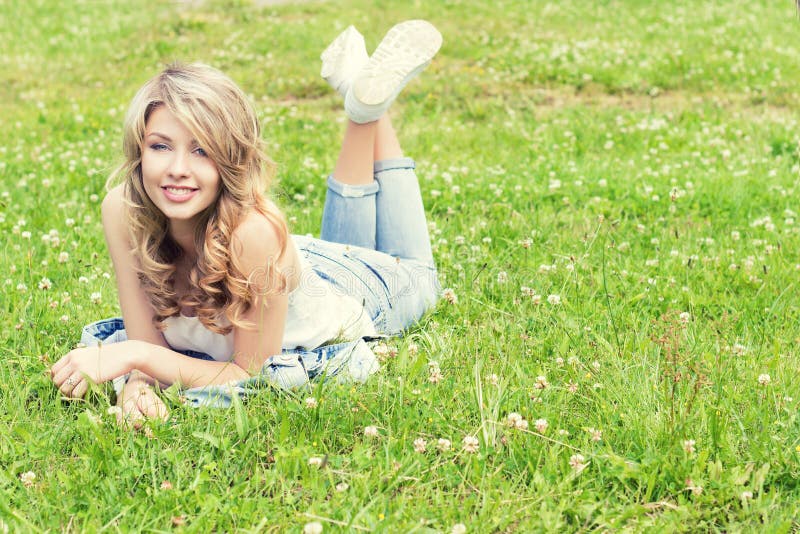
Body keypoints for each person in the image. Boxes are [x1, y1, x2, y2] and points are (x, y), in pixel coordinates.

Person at [48, 20, 443, 425]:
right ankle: (362, 105)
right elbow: (145, 341)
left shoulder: (254, 234)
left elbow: (248, 374)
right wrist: (138, 384)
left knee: (420, 275)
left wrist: (133, 356)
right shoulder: (123, 209)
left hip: (353, 294)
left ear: (232, 158)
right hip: (290, 273)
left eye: (202, 150)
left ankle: (367, 113)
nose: (177, 169)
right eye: (161, 146)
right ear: (139, 149)